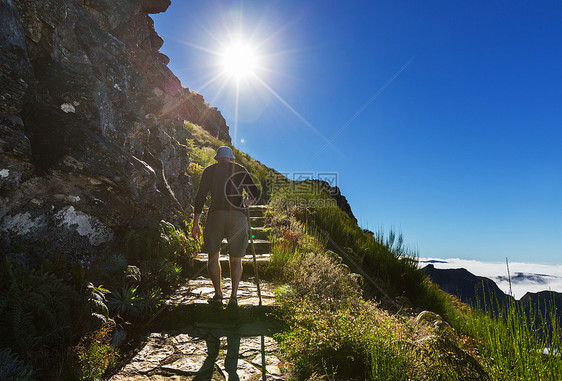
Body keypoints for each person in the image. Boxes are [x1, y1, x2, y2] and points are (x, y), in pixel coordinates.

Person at [191, 146, 259, 307]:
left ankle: (218, 295)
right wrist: (247, 201)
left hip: (216, 216)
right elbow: (254, 191)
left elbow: (200, 195)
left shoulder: (210, 170)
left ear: (217, 158)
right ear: (231, 158)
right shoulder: (240, 169)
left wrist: (196, 223)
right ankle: (234, 297)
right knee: (236, 259)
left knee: (213, 256)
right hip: (238, 216)